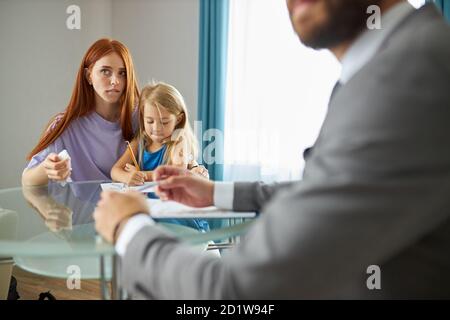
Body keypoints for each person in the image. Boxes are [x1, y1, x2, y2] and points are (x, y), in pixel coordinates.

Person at [94, 0, 450, 299]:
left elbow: (236, 291)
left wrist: (128, 227)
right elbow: (330, 191)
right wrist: (216, 191)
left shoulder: (409, 75)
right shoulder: (397, 61)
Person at [22, 38, 140, 186]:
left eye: (122, 73)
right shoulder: (66, 125)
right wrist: (47, 169)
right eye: (105, 71)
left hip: (138, 206)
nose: (115, 81)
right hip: (84, 209)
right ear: (88, 76)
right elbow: (27, 179)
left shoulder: (143, 117)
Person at [110, 81, 208, 186]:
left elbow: (175, 174)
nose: (156, 128)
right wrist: (128, 177)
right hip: (144, 201)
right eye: (150, 121)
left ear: (179, 119)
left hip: (169, 201)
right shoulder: (140, 141)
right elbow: (115, 171)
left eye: (164, 122)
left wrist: (142, 175)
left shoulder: (179, 141)